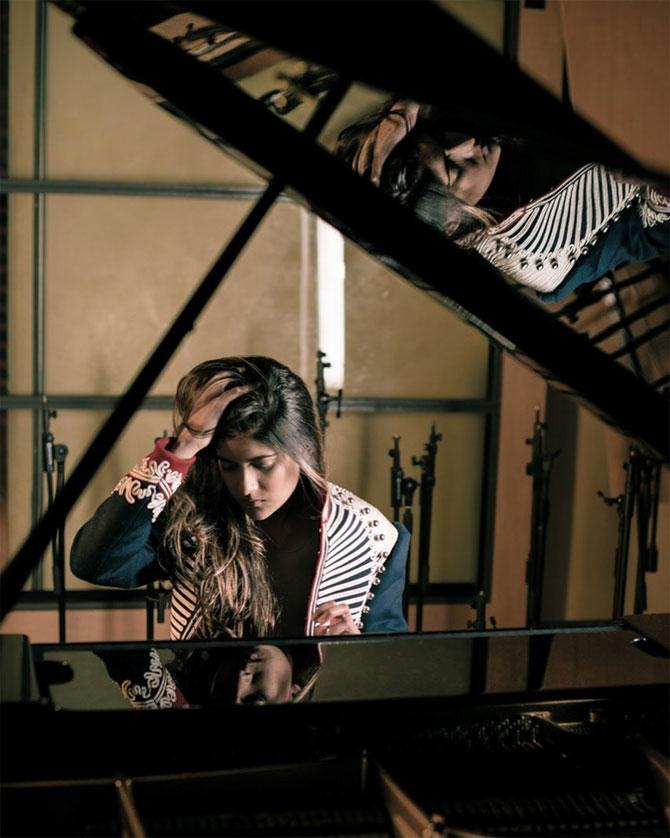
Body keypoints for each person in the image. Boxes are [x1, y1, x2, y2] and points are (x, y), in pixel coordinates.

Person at [71, 356, 409, 640]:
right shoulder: (190, 519)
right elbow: (96, 564)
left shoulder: (371, 534)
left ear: (304, 448)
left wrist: (357, 648)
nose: (246, 486)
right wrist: (182, 447)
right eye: (228, 465)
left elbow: (394, 664)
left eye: (263, 465)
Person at [336, 100, 669, 302]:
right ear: (453, 223)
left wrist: (404, 110)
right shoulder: (545, 259)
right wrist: (653, 182)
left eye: (440, 140)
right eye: (453, 169)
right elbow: (649, 233)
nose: (466, 143)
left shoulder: (444, 124)